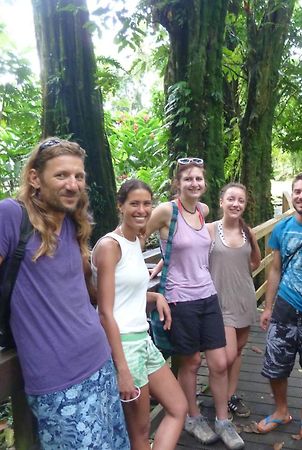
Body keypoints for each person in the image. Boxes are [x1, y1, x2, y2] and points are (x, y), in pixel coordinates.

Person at [0, 138, 129, 449]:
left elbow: (81, 289)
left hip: (100, 363)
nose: (73, 185)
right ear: (34, 178)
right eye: (61, 175)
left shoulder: (74, 223)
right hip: (57, 381)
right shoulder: (11, 216)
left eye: (79, 176)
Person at [146, 158, 244, 450]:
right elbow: (134, 239)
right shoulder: (166, 211)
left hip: (208, 295)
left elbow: (187, 247)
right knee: (190, 362)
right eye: (188, 179)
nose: (194, 184)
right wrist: (140, 275)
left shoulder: (203, 211)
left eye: (199, 179)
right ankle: (193, 415)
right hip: (179, 299)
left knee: (220, 362)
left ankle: (223, 420)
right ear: (178, 183)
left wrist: (165, 260)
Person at [92, 179, 187, 450]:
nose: (142, 210)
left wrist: (155, 296)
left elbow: (125, 295)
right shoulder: (111, 246)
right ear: (120, 205)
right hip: (123, 346)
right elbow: (105, 312)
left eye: (147, 203)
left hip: (142, 341)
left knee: (178, 407)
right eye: (134, 203)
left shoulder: (135, 241)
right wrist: (122, 369)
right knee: (140, 433)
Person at [258, 172, 302, 440]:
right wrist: (267, 307)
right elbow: (274, 269)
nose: (301, 196)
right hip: (285, 308)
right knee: (275, 364)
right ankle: (281, 410)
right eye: (297, 191)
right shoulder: (282, 228)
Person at [207, 183, 261, 419]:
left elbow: (256, 260)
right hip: (219, 300)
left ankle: (230, 397)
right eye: (231, 199)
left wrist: (237, 271)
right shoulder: (208, 230)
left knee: (238, 352)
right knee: (225, 357)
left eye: (240, 200)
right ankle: (219, 396)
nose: (235, 204)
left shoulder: (247, 231)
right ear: (221, 202)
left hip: (244, 298)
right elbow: (186, 255)